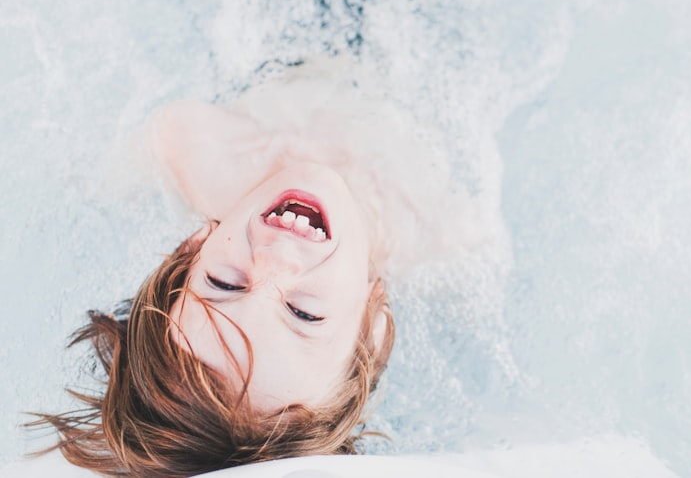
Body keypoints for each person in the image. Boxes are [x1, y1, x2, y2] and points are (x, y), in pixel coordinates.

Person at [28, 60, 477, 477]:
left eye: (223, 283)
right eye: (303, 313)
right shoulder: (441, 236)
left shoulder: (208, 156)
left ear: (194, 247)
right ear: (372, 325)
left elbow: (162, 131)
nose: (274, 260)